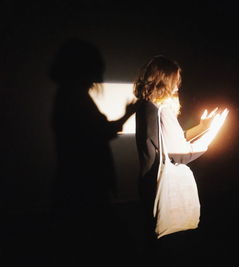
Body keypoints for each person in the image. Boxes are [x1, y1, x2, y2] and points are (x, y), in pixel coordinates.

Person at [49, 38, 139, 265]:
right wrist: (128, 114)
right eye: (96, 64)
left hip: (78, 187)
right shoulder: (74, 97)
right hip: (84, 188)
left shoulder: (69, 95)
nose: (100, 70)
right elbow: (101, 132)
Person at [134, 55, 228, 266]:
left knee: (154, 244)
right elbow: (181, 153)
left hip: (149, 185)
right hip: (163, 189)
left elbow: (171, 140)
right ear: (166, 80)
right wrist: (213, 134)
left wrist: (202, 128)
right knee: (171, 249)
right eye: (176, 80)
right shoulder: (163, 110)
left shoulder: (146, 107)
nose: (178, 84)